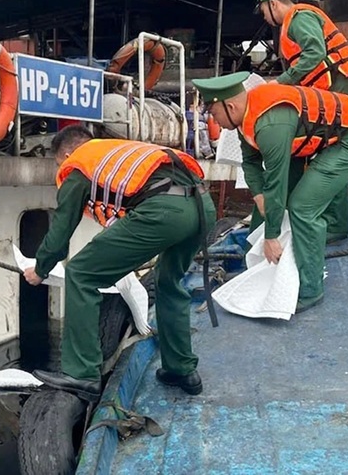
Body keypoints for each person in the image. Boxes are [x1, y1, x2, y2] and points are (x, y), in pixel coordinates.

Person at [22, 125, 216, 399]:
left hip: (163, 212)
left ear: (66, 155)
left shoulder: (79, 165)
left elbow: (61, 232)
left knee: (81, 273)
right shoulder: (113, 150)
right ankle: (181, 369)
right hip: (203, 205)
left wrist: (40, 269)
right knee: (168, 282)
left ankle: (81, 374)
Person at [192, 72, 348, 313]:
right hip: (315, 142)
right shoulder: (245, 116)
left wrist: (272, 237)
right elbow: (251, 163)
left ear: (230, 106)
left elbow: (277, 183)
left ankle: (311, 290)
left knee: (302, 207)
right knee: (268, 201)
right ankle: (255, 262)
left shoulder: (271, 126)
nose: (215, 121)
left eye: (214, 115)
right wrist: (258, 196)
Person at [249, 0, 348, 244]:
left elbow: (314, 52)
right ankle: (332, 222)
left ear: (273, 4)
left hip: (338, 87)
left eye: (263, 11)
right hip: (335, 87)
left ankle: (334, 225)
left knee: (332, 150)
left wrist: (283, 82)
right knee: (328, 151)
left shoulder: (298, 18)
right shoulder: (297, 19)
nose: (264, 17)